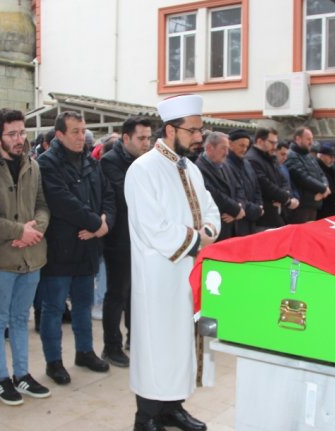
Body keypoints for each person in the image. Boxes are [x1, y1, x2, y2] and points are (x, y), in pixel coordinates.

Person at [125, 94, 220, 431]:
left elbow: (211, 209)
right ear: (170, 129)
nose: (199, 137)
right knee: (158, 344)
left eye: (200, 130)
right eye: (192, 131)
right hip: (159, 275)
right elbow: (153, 228)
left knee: (182, 342)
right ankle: (147, 416)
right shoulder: (142, 170)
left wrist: (207, 230)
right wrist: (197, 240)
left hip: (189, 272)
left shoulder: (191, 168)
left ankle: (172, 408)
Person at [0, 108, 52, 406]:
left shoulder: (33, 165)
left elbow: (43, 204)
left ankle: (22, 374)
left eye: (22, 132)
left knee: (21, 318)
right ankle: (1, 378)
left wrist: (37, 230)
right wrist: (19, 230)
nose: (20, 139)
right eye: (12, 134)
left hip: (32, 254)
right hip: (0, 259)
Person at [37, 111, 116, 385]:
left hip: (88, 249)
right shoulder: (47, 164)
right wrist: (96, 223)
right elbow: (62, 201)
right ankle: (53, 362)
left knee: (84, 305)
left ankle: (85, 352)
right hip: (60, 249)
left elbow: (108, 195)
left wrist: (104, 224)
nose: (81, 136)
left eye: (83, 131)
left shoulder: (90, 163)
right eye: (75, 131)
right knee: (54, 308)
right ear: (59, 134)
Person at [100, 117, 153, 367]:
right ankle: (111, 346)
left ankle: (136, 338)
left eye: (149, 138)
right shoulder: (110, 162)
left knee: (137, 292)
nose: (146, 143)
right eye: (141, 138)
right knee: (117, 293)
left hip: (142, 238)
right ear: (126, 138)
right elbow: (128, 196)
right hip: (119, 238)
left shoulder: (146, 161)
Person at [245, 128, 298, 228]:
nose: (275, 147)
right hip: (264, 216)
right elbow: (265, 185)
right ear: (260, 141)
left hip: (277, 212)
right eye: (272, 143)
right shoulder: (252, 159)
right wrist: (286, 199)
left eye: (276, 143)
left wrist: (285, 194)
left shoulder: (270, 157)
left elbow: (283, 179)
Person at [195, 132, 242, 241]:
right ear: (209, 148)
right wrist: (235, 209)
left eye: (228, 149)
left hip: (233, 225)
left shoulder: (226, 165)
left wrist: (240, 207)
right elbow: (212, 193)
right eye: (223, 148)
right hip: (217, 228)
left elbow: (238, 187)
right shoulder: (198, 168)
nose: (227, 153)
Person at [285, 127, 330, 223]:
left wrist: (325, 187)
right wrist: (323, 189)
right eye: (308, 139)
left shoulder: (309, 156)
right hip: (302, 205)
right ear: (298, 139)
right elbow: (302, 177)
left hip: (314, 203)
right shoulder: (291, 155)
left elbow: (321, 173)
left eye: (312, 139)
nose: (311, 142)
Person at [225, 129, 263, 236]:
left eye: (246, 146)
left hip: (251, 219)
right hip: (237, 220)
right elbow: (236, 194)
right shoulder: (226, 164)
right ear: (230, 144)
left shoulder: (247, 163)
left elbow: (257, 188)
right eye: (241, 145)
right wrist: (256, 210)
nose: (244, 149)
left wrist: (259, 205)